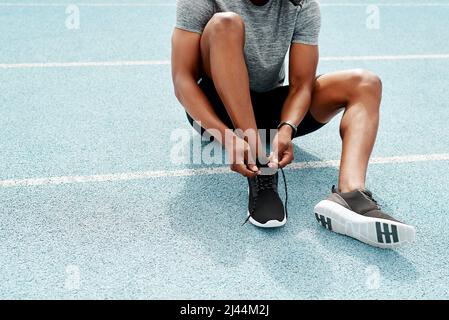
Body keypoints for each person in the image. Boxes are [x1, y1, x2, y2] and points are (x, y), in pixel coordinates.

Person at [171, 0, 415, 248]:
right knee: (226, 23)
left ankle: (350, 195)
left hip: (271, 104)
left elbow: (301, 84)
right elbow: (183, 80)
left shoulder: (300, 4)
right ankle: (261, 167)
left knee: (366, 83)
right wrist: (228, 137)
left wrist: (288, 126)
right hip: (216, 109)